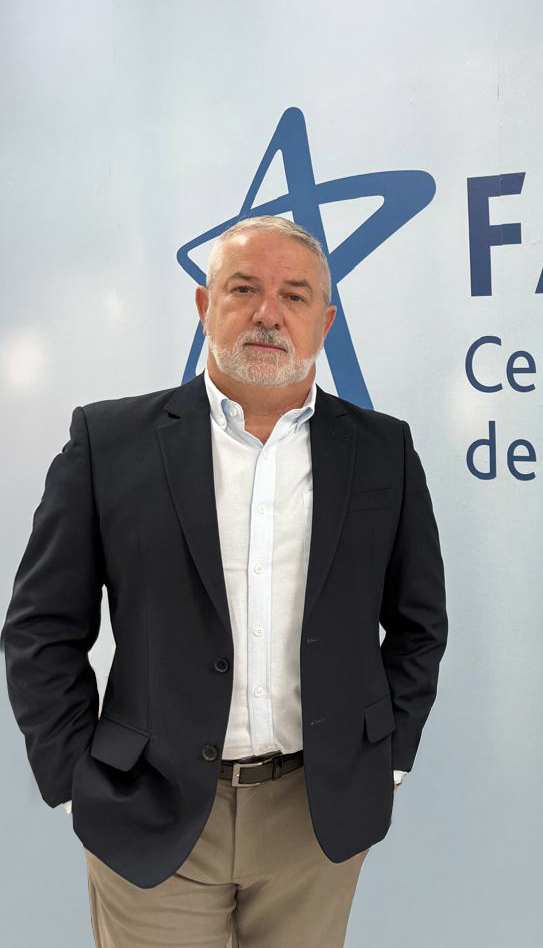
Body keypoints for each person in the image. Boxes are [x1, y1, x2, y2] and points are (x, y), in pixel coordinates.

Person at [1, 215, 448, 947]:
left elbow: (418, 624)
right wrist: (74, 781)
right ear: (205, 306)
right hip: (148, 807)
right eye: (244, 289)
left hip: (317, 816)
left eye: (295, 296)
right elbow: (40, 628)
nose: (269, 312)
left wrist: (386, 760)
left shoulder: (383, 450)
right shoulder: (109, 442)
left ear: (324, 322)